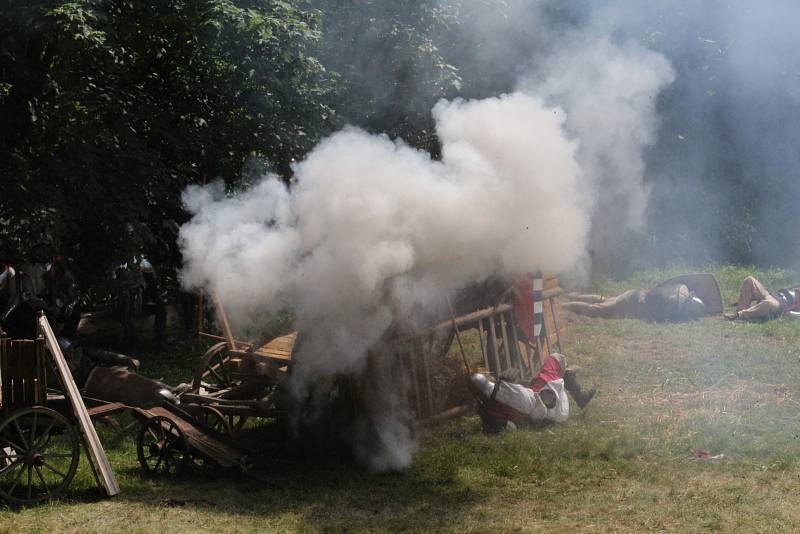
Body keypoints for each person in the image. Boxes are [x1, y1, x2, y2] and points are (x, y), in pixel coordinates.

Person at [469, 353, 596, 432]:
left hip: (550, 408)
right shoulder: (497, 402)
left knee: (557, 372)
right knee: (555, 360)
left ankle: (579, 396)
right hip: (551, 407)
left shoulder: (488, 408)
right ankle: (579, 395)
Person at [562, 282, 707, 322]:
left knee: (605, 299)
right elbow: (659, 317)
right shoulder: (675, 305)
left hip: (635, 293)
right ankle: (564, 305)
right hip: (632, 303)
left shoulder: (681, 288)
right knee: (597, 309)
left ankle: (572, 296)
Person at [724, 276, 800, 321]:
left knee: (768, 303)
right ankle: (740, 310)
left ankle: (739, 316)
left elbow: (794, 314)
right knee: (750, 280)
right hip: (771, 294)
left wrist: (791, 313)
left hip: (779, 304)